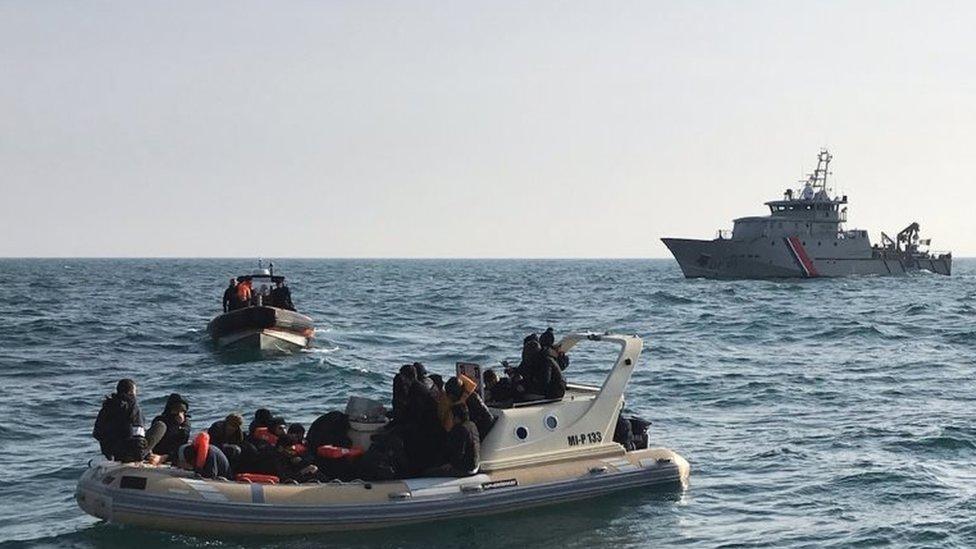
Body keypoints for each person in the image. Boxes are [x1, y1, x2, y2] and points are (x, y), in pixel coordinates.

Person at [93, 379, 154, 462]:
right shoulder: (132, 405)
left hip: (110, 454)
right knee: (160, 426)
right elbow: (138, 434)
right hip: (131, 455)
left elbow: (97, 433)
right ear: (130, 392)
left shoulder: (106, 407)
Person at [428, 404, 479, 477]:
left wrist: (450, 464)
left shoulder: (460, 429)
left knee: (430, 473)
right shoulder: (472, 425)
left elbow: (459, 452)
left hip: (464, 468)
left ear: (456, 417)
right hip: (474, 465)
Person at [442, 375, 494, 440]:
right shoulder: (460, 401)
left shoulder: (472, 399)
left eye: (451, 395)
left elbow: (487, 418)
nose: (450, 398)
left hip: (481, 428)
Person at [149, 393, 191, 460]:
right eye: (176, 410)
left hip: (172, 455)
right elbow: (151, 441)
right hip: (156, 452)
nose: (179, 415)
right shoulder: (160, 420)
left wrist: (164, 457)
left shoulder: (185, 423)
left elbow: (181, 444)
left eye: (182, 411)